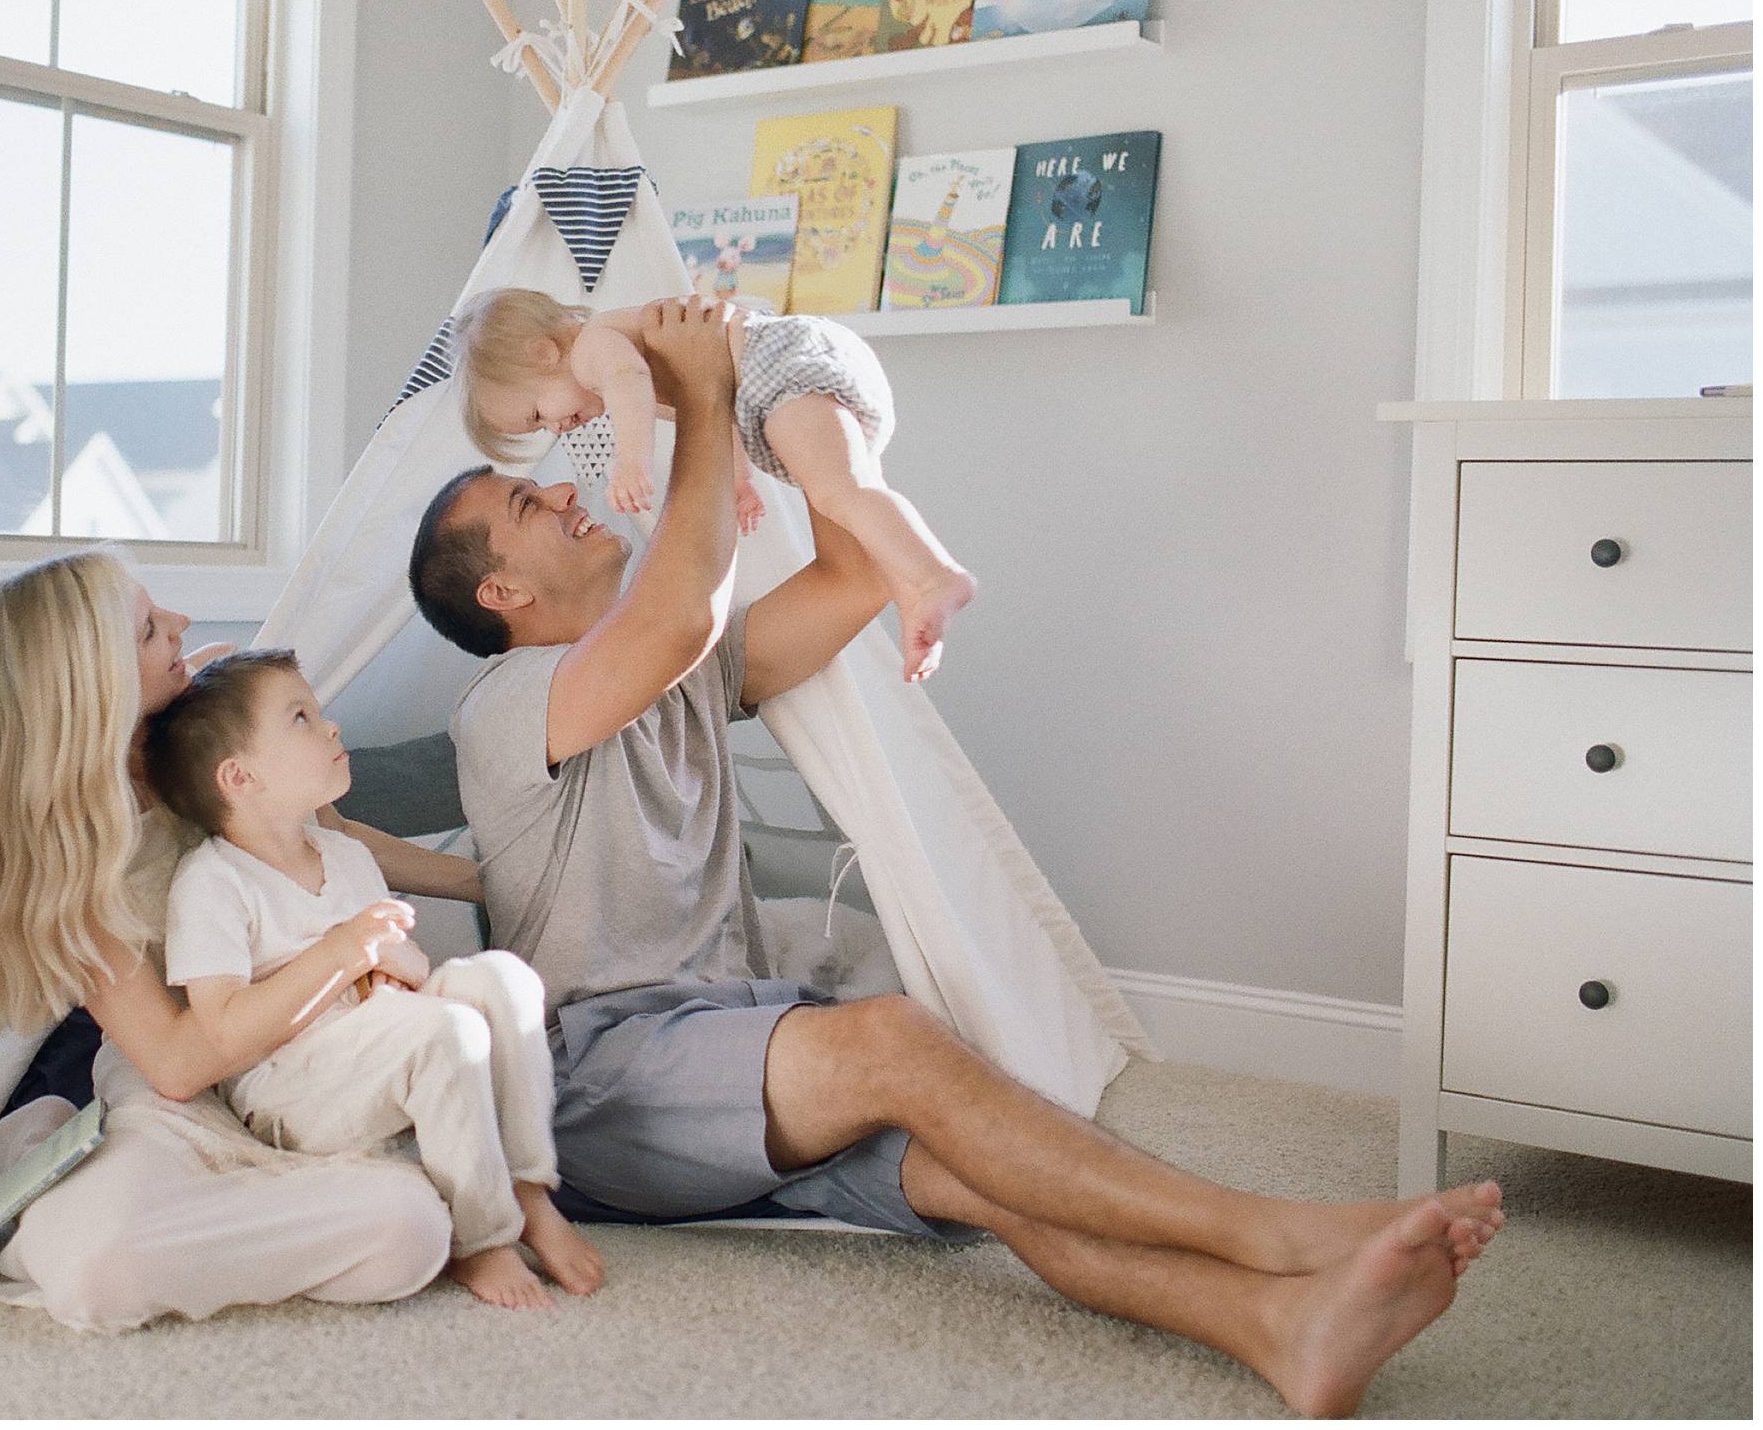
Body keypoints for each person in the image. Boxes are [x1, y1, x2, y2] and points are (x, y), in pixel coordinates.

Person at [409, 295, 1507, 1417]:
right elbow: (670, 619)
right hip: (598, 1078)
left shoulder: (681, 670)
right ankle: (1280, 1233)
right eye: (525, 503)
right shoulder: (499, 707)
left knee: (985, 1170)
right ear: (503, 592)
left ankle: (1278, 1328)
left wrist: (781, 404)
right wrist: (691, 402)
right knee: (893, 1039)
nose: (564, 490)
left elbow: (844, 580)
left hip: (727, 1037)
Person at [0, 549, 485, 1332]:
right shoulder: (78, 863)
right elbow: (177, 1063)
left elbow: (329, 839)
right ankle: (73, 1205)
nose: (183, 627)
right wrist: (340, 956)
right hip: (180, 1072)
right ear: (97, 685)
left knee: (413, 1229)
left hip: (309, 1048)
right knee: (99, 1270)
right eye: (152, 628)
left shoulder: (212, 701)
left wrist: (476, 879)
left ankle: (239, 1210)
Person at [142, 647, 601, 1310]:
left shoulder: (346, 856)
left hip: (374, 1042)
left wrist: (395, 973)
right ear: (239, 779)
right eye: (301, 718)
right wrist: (342, 954)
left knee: (503, 979)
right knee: (445, 1031)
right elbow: (220, 1025)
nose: (330, 728)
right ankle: (481, 1239)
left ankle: (527, 1188)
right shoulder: (213, 884)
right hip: (292, 1089)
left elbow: (400, 968)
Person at [453, 285, 974, 681]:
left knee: (843, 494)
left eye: (539, 412)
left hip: (780, 366)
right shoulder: (625, 355)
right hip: (785, 373)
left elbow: (628, 386)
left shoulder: (594, 350)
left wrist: (631, 461)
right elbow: (716, 405)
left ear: (545, 354)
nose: (557, 427)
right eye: (540, 428)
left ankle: (935, 578)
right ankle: (915, 590)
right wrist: (740, 481)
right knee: (848, 495)